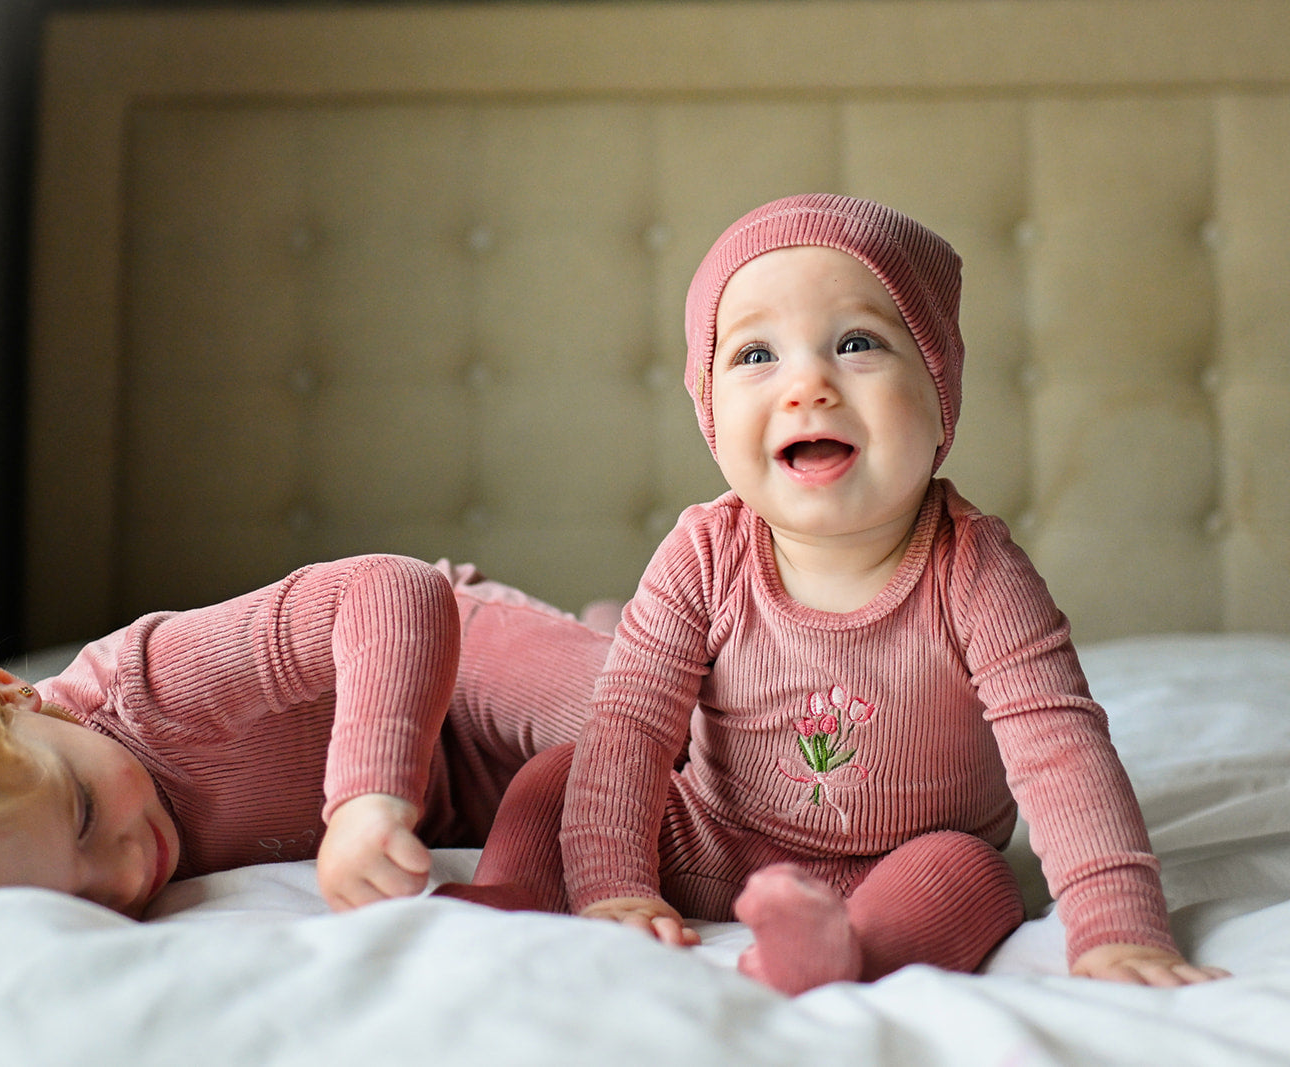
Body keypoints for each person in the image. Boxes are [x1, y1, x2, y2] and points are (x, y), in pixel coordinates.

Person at [443, 194, 1228, 994]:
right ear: (709, 408)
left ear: (938, 393)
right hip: (711, 841)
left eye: (856, 344)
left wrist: (1120, 928)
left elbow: (1061, 753)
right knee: (565, 772)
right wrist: (615, 883)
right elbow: (632, 728)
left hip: (901, 860)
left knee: (974, 875)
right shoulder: (703, 553)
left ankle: (847, 949)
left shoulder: (978, 571)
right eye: (755, 355)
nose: (807, 384)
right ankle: (522, 896)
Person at [0, 555, 613, 917]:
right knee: (617, 827)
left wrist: (368, 792)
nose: (127, 872)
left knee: (652, 733)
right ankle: (616, 621)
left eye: (85, 810)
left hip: (451, 671)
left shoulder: (146, 690)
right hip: (486, 794)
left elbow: (389, 590)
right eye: (76, 900)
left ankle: (639, 645)